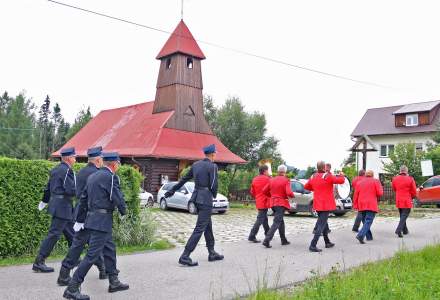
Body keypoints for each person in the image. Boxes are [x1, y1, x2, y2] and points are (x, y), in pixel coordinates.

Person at [63, 152, 129, 300]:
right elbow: (116, 196)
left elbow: (84, 199)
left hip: (92, 219)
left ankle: (114, 281)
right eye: (118, 164)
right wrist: (124, 212)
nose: (118, 166)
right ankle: (72, 288)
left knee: (110, 249)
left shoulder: (93, 176)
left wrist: (80, 220)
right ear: (114, 164)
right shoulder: (111, 177)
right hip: (102, 221)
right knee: (92, 255)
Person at [164, 144, 224, 267]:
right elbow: (213, 184)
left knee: (208, 225)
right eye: (215, 154)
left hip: (196, 197)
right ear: (212, 154)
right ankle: (185, 256)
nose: (215, 155)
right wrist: (213, 194)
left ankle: (212, 252)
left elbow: (184, 179)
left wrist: (172, 190)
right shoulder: (213, 166)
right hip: (205, 199)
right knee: (200, 228)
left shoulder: (196, 165)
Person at [57, 146, 107, 286]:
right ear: (98, 160)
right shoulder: (98, 174)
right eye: (102, 159)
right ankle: (65, 275)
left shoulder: (81, 172)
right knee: (88, 243)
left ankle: (103, 269)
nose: (103, 161)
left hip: (81, 212)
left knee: (89, 243)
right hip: (90, 214)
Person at [33, 147, 77, 273]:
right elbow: (70, 190)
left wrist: (44, 201)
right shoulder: (67, 171)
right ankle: (39, 261)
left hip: (59, 206)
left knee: (71, 233)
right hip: (63, 206)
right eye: (74, 157)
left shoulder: (55, 169)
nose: (75, 159)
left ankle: (74, 258)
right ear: (68, 158)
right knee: (54, 235)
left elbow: (48, 188)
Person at [305, 161, 345, 252]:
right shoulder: (327, 176)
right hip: (326, 204)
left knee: (324, 223)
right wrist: (342, 175)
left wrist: (315, 188)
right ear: (324, 168)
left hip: (317, 204)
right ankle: (313, 245)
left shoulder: (313, 176)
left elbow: (306, 186)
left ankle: (327, 242)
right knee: (321, 225)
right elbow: (341, 181)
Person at [261, 164, 294, 248]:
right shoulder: (286, 180)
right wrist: (293, 196)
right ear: (285, 171)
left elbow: (264, 191)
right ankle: (267, 240)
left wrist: (272, 195)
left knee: (280, 221)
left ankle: (283, 240)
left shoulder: (271, 180)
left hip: (273, 203)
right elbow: (289, 192)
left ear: (278, 171)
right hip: (280, 203)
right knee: (276, 222)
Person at [353, 170, 383, 244]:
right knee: (368, 220)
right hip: (371, 204)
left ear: (365, 175)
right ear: (372, 175)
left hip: (361, 204)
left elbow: (355, 195)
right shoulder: (376, 181)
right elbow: (380, 193)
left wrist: (355, 205)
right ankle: (360, 235)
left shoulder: (359, 183)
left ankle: (369, 237)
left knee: (365, 221)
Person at [392, 165, 417, 238]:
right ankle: (398, 230)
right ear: (406, 171)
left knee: (402, 215)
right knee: (404, 215)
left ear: (400, 171)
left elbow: (394, 188)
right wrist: (413, 196)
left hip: (399, 199)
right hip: (407, 199)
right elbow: (414, 190)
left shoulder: (395, 179)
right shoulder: (410, 179)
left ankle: (405, 230)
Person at [248, 165, 271, 243]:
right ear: (265, 171)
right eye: (267, 171)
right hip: (265, 201)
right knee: (260, 219)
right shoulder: (268, 179)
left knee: (264, 218)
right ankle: (252, 235)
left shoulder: (255, 179)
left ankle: (268, 234)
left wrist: (257, 196)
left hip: (258, 200)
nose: (268, 172)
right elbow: (270, 190)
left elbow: (252, 192)